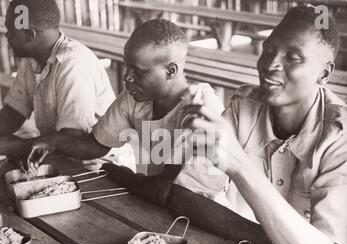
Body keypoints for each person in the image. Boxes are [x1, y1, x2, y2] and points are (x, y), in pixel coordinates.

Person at [178, 5, 347, 244]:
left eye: (293, 58)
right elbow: (185, 196)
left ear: (324, 73)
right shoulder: (242, 109)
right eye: (268, 50)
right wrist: (274, 237)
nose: (270, 65)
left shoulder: (338, 137)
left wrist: (239, 165)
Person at [26, 18, 224, 175]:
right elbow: (96, 145)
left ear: (171, 71)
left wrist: (118, 173)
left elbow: (168, 189)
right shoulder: (136, 99)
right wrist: (52, 142)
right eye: (126, 66)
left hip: (201, 215)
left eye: (138, 71)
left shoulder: (202, 109)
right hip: (158, 205)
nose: (126, 77)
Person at [0, 0, 117, 164]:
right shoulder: (29, 59)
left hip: (100, 164)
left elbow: (71, 138)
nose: (7, 36)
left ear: (30, 35)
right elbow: (14, 112)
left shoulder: (73, 64)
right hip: (60, 152)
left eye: (11, 30)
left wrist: (7, 147)